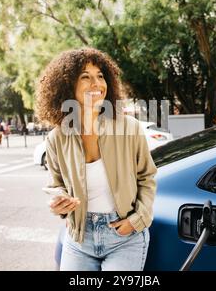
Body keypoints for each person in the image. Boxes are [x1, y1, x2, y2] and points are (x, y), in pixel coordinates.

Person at [36, 48, 157, 271]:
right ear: (66, 86)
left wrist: (137, 220)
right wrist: (60, 203)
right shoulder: (56, 138)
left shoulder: (128, 127)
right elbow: (57, 185)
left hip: (124, 237)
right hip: (79, 237)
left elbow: (147, 177)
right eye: (85, 77)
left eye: (100, 76)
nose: (97, 83)